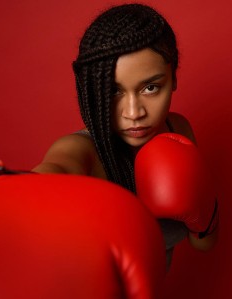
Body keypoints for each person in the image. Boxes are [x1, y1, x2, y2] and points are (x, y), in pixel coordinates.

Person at [32, 3, 218, 269]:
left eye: (151, 87)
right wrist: (11, 189)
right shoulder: (83, 150)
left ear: (173, 77)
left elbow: (204, 243)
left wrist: (202, 212)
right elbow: (56, 168)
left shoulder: (178, 130)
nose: (134, 112)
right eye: (113, 92)